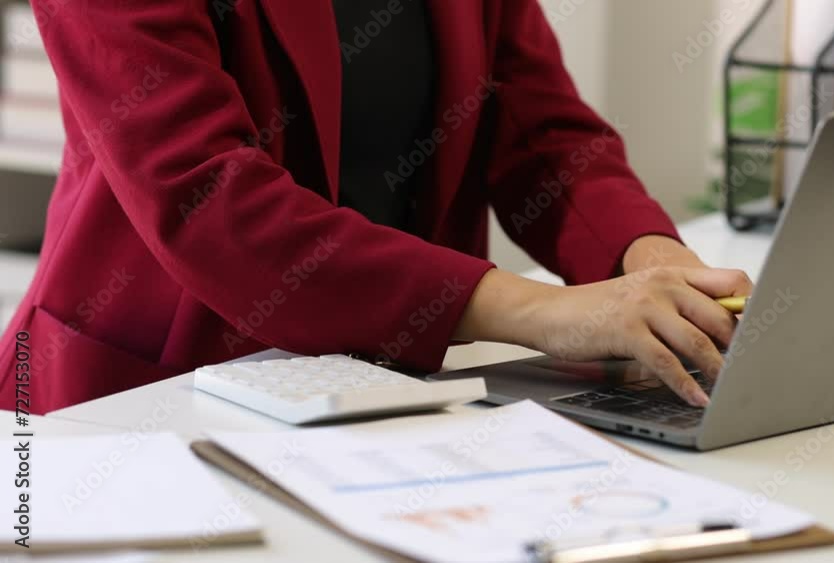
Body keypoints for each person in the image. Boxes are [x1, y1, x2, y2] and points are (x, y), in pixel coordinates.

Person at [0, 0, 751, 414]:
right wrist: (543, 311)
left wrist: (660, 267)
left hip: (383, 392)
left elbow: (541, 131)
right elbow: (211, 200)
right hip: (149, 401)